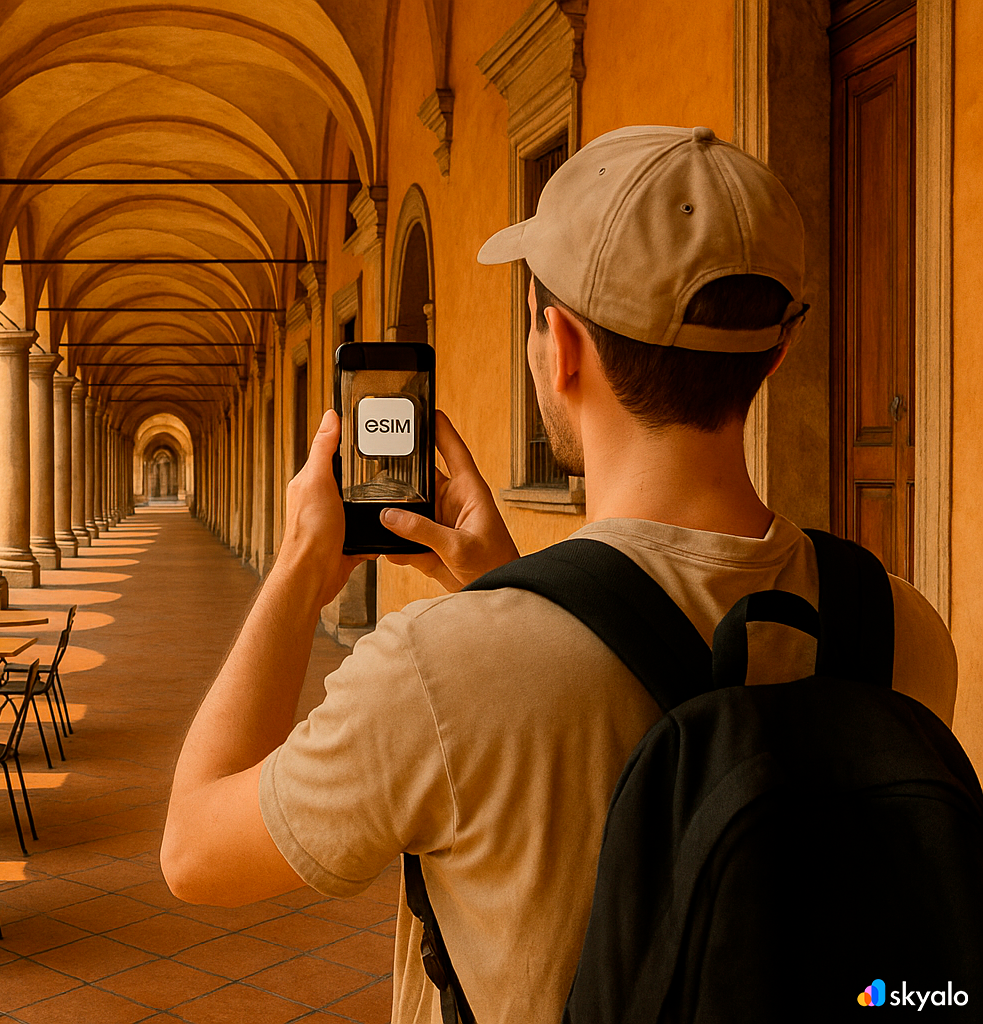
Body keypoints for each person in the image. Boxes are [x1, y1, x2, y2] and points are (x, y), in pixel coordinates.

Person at [159, 125, 958, 1024]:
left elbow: (193, 850)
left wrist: (305, 569)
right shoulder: (898, 625)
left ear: (561, 346)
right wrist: (521, 588)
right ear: (777, 351)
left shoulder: (433, 671)